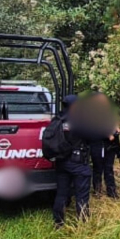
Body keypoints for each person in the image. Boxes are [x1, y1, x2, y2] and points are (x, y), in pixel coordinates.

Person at [50, 94, 92, 227]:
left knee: (61, 193)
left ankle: (58, 222)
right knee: (82, 194)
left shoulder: (57, 120)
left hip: (61, 162)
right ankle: (83, 223)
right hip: (78, 163)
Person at [89, 93, 120, 199]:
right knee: (97, 169)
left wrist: (115, 131)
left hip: (109, 147)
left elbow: (115, 129)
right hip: (97, 146)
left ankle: (111, 191)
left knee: (108, 169)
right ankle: (97, 191)